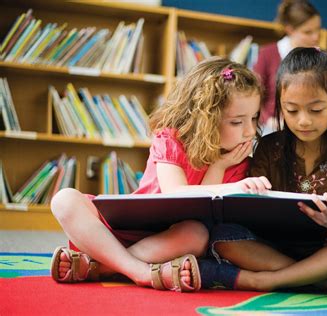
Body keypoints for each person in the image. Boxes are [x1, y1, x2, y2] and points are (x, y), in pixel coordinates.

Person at [49, 57, 271, 292]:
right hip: (116, 231)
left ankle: (101, 267)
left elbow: (203, 213)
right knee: (64, 200)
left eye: (254, 118)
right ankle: (141, 272)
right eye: (237, 122)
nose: (249, 131)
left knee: (197, 235)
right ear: (205, 119)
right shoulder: (171, 139)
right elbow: (175, 193)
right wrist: (230, 186)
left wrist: (218, 167)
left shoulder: (238, 161)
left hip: (165, 242)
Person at [207, 47, 327, 301]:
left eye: (316, 110)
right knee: (222, 236)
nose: (303, 121)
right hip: (273, 246)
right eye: (291, 110)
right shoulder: (270, 148)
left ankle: (265, 280)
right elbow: (246, 206)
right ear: (280, 106)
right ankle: (324, 279)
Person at [253, 0, 321, 135]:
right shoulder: (267, 54)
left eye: (318, 30)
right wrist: (268, 120)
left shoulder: (320, 57)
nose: (316, 37)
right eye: (308, 32)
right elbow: (253, 94)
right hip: (272, 129)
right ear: (290, 30)